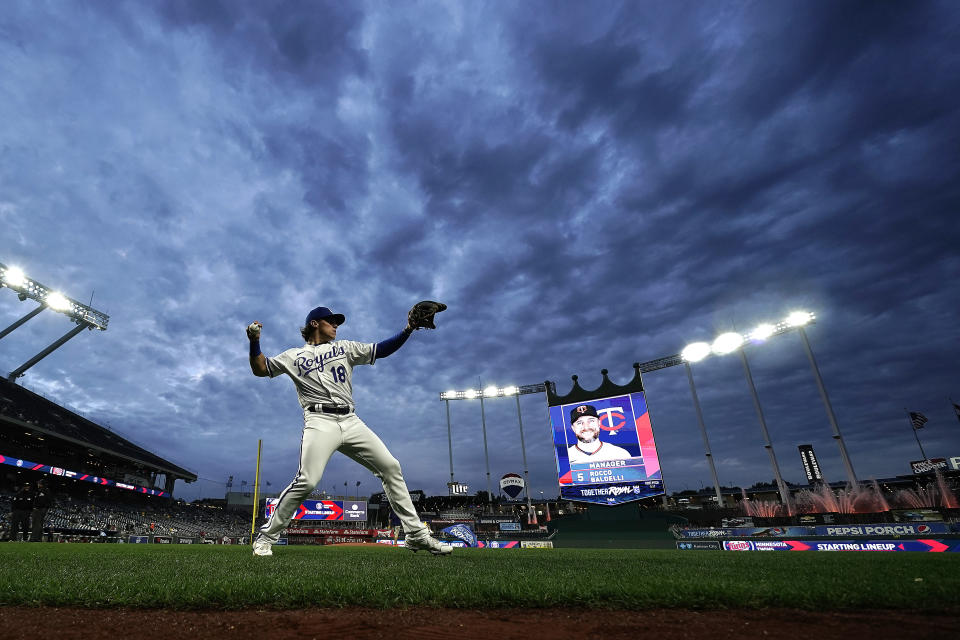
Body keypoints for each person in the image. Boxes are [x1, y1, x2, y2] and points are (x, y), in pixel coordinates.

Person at [247, 305, 452, 557]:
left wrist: (408, 329)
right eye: (331, 321)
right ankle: (266, 537)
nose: (336, 325)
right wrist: (255, 342)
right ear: (314, 324)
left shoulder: (344, 347)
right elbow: (260, 368)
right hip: (319, 421)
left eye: (337, 322)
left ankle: (416, 535)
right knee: (308, 480)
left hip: (351, 420)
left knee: (390, 467)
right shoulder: (293, 356)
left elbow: (381, 349)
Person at [566, 404, 633, 464]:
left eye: (591, 421)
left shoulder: (620, 454)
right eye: (579, 422)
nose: (586, 427)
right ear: (573, 428)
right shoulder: (565, 458)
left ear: (599, 423)